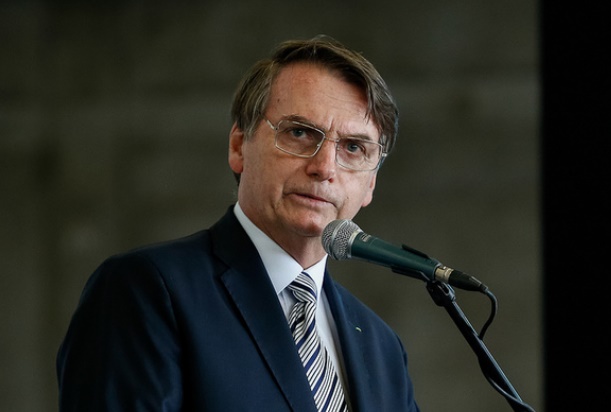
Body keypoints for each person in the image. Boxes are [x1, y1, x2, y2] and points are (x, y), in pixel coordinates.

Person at [57, 34, 419, 412]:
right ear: (238, 145)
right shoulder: (147, 291)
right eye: (299, 132)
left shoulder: (383, 348)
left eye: (354, 147)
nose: (325, 167)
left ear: (371, 183)